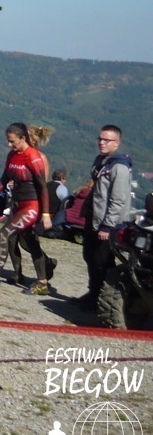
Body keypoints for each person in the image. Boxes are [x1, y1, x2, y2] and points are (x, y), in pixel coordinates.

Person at [0, 123, 53, 295]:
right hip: (17, 204)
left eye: (13, 141)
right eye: (8, 141)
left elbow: (43, 187)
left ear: (23, 139)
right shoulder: (12, 155)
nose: (9, 145)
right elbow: (3, 181)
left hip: (31, 206)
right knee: (28, 241)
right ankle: (42, 281)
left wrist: (45, 214)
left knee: (3, 233)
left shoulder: (33, 157)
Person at [76, 125, 133, 309]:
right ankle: (93, 292)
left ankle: (105, 299)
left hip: (109, 224)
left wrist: (107, 225)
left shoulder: (119, 166)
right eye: (100, 139)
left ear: (116, 143)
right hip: (94, 218)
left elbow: (118, 199)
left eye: (106, 140)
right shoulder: (101, 160)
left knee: (103, 261)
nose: (101, 143)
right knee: (90, 256)